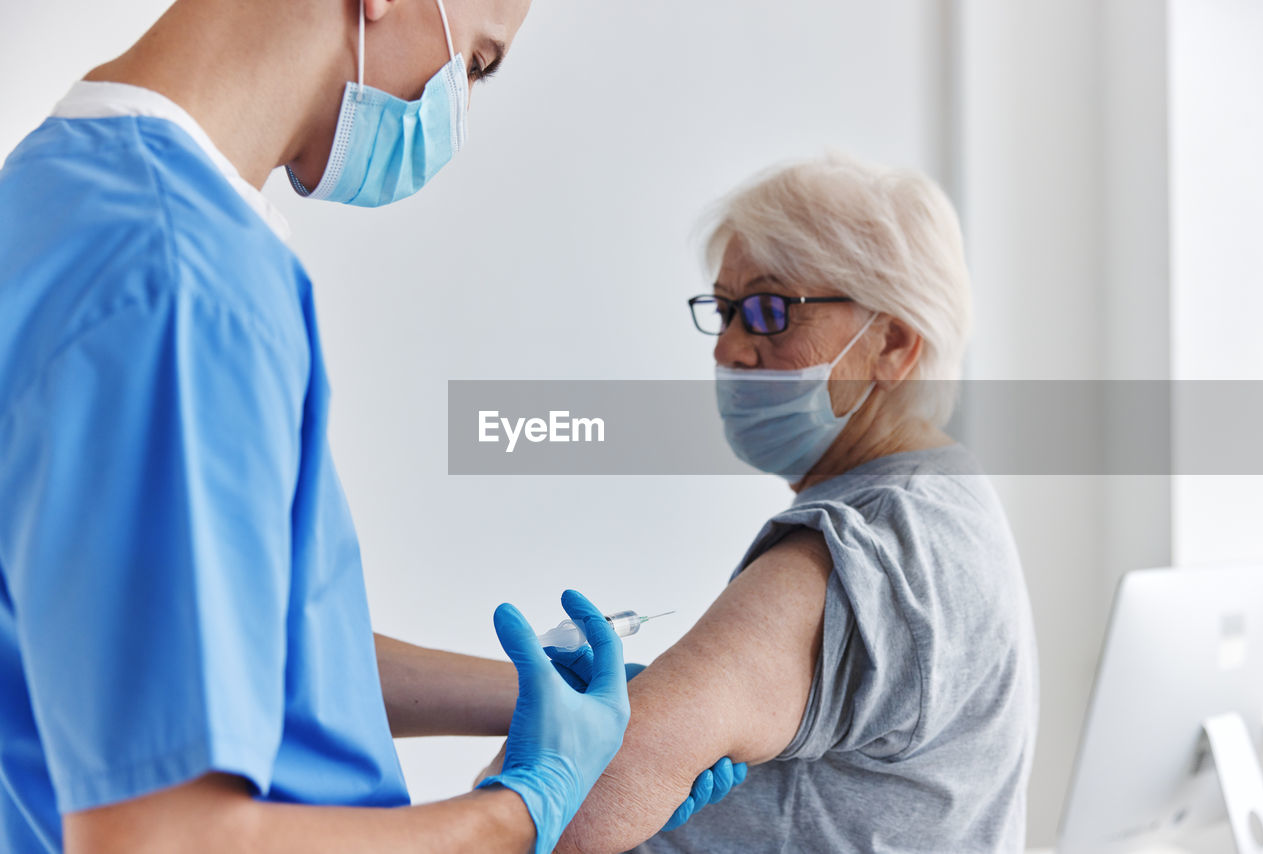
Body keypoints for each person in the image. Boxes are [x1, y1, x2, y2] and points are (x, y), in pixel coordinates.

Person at [0, 1, 733, 852]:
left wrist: (532, 698)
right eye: (480, 62)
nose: (456, 104)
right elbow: (166, 838)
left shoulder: (57, 195)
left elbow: (214, 650)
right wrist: (521, 811)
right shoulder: (178, 282)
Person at [515, 152, 1039, 853]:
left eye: (769, 311)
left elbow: (567, 814)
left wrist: (520, 759)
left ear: (894, 344)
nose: (729, 348)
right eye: (726, 310)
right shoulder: (948, 501)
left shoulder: (866, 546)